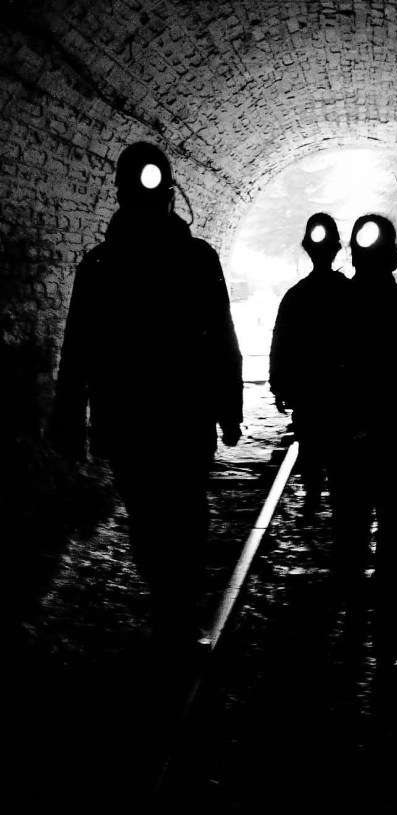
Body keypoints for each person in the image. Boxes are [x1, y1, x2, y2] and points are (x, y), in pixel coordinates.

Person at [52, 141, 243, 648]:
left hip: (131, 416)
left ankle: (170, 606)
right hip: (181, 414)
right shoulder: (196, 259)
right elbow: (221, 339)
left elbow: (77, 350)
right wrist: (228, 409)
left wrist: (70, 421)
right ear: (172, 195)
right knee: (181, 510)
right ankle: (174, 607)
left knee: (154, 513)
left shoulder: (101, 264)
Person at [328, 214, 397, 665]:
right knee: (395, 533)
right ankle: (387, 627)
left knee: (350, 528)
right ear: (395, 258)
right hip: (396, 444)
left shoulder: (336, 308)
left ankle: (355, 617)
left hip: (351, 443)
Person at [269, 213, 350, 516]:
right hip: (341, 393)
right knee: (339, 454)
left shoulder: (296, 296)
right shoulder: (349, 293)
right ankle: (336, 502)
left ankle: (314, 495)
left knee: (311, 444)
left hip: (309, 392)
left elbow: (281, 343)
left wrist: (279, 384)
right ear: (337, 248)